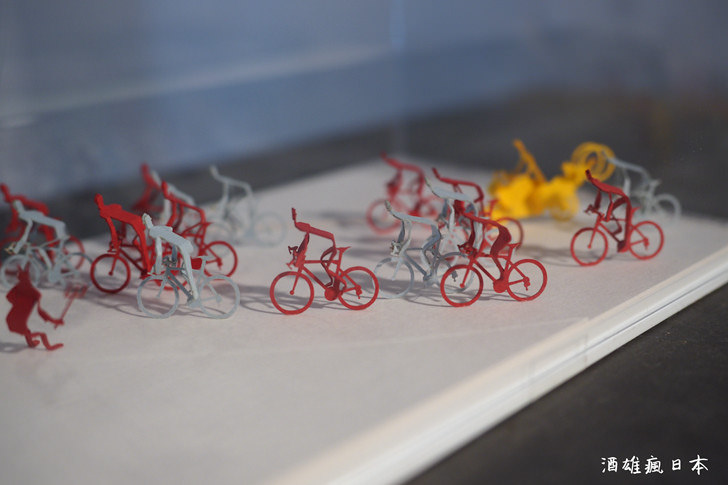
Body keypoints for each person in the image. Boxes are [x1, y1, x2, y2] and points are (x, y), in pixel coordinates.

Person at [142, 213, 198, 301]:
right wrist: (174, 259)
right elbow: (170, 231)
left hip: (181, 245)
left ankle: (195, 295)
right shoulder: (158, 228)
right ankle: (193, 294)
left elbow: (159, 252)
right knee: (184, 271)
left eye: (147, 220)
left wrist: (157, 269)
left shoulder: (153, 231)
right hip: (183, 243)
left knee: (187, 271)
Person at [5, 268, 64, 350]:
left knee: (27, 332)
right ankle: (49, 347)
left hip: (9, 319)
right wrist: (54, 321)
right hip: (19, 323)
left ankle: (31, 343)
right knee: (42, 334)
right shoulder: (35, 294)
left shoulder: (17, 288)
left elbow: (8, 297)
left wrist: (18, 304)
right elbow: (40, 312)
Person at [95, 194, 152, 274]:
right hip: (134, 220)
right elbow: (119, 209)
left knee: (142, 245)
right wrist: (121, 233)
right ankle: (146, 266)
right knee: (139, 244)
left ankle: (148, 269)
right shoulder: (108, 208)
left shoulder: (104, 211)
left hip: (134, 222)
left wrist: (115, 239)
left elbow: (111, 226)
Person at [585, 169, 632, 251]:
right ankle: (618, 229)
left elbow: (611, 203)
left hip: (624, 200)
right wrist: (595, 208)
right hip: (620, 199)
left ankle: (624, 240)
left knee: (612, 219)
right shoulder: (600, 188)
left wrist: (607, 217)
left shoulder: (604, 188)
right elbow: (598, 199)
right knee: (609, 216)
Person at [289, 209, 338, 286]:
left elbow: (304, 248)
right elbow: (303, 247)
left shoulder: (308, 233)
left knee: (326, 267)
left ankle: (340, 282)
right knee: (323, 262)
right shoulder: (307, 235)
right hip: (332, 244)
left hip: (333, 247)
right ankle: (332, 281)